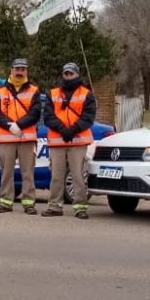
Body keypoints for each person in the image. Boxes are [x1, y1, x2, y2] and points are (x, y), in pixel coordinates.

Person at [42, 62, 97, 219]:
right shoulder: (52, 94)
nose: (68, 76)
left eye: (71, 73)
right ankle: (55, 206)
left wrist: (72, 130)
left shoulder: (86, 94)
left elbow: (88, 117)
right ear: (62, 75)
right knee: (57, 175)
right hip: (58, 140)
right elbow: (48, 116)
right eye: (66, 73)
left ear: (77, 74)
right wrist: (62, 130)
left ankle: (80, 207)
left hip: (78, 141)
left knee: (77, 175)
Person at [0, 58, 41, 214]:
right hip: (6, 138)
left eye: (23, 69)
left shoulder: (34, 90)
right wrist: (9, 126)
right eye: (17, 69)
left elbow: (35, 113)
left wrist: (19, 125)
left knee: (28, 173)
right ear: (11, 70)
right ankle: (6, 202)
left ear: (27, 71)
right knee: (6, 172)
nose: (20, 72)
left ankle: (28, 203)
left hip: (26, 138)